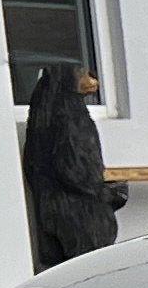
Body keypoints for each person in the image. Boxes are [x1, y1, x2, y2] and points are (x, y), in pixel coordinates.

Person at [16, 63, 124, 265]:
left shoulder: (43, 120)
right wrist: (106, 193)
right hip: (80, 211)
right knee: (93, 266)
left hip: (51, 208)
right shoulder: (71, 117)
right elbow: (75, 167)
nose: (94, 83)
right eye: (85, 76)